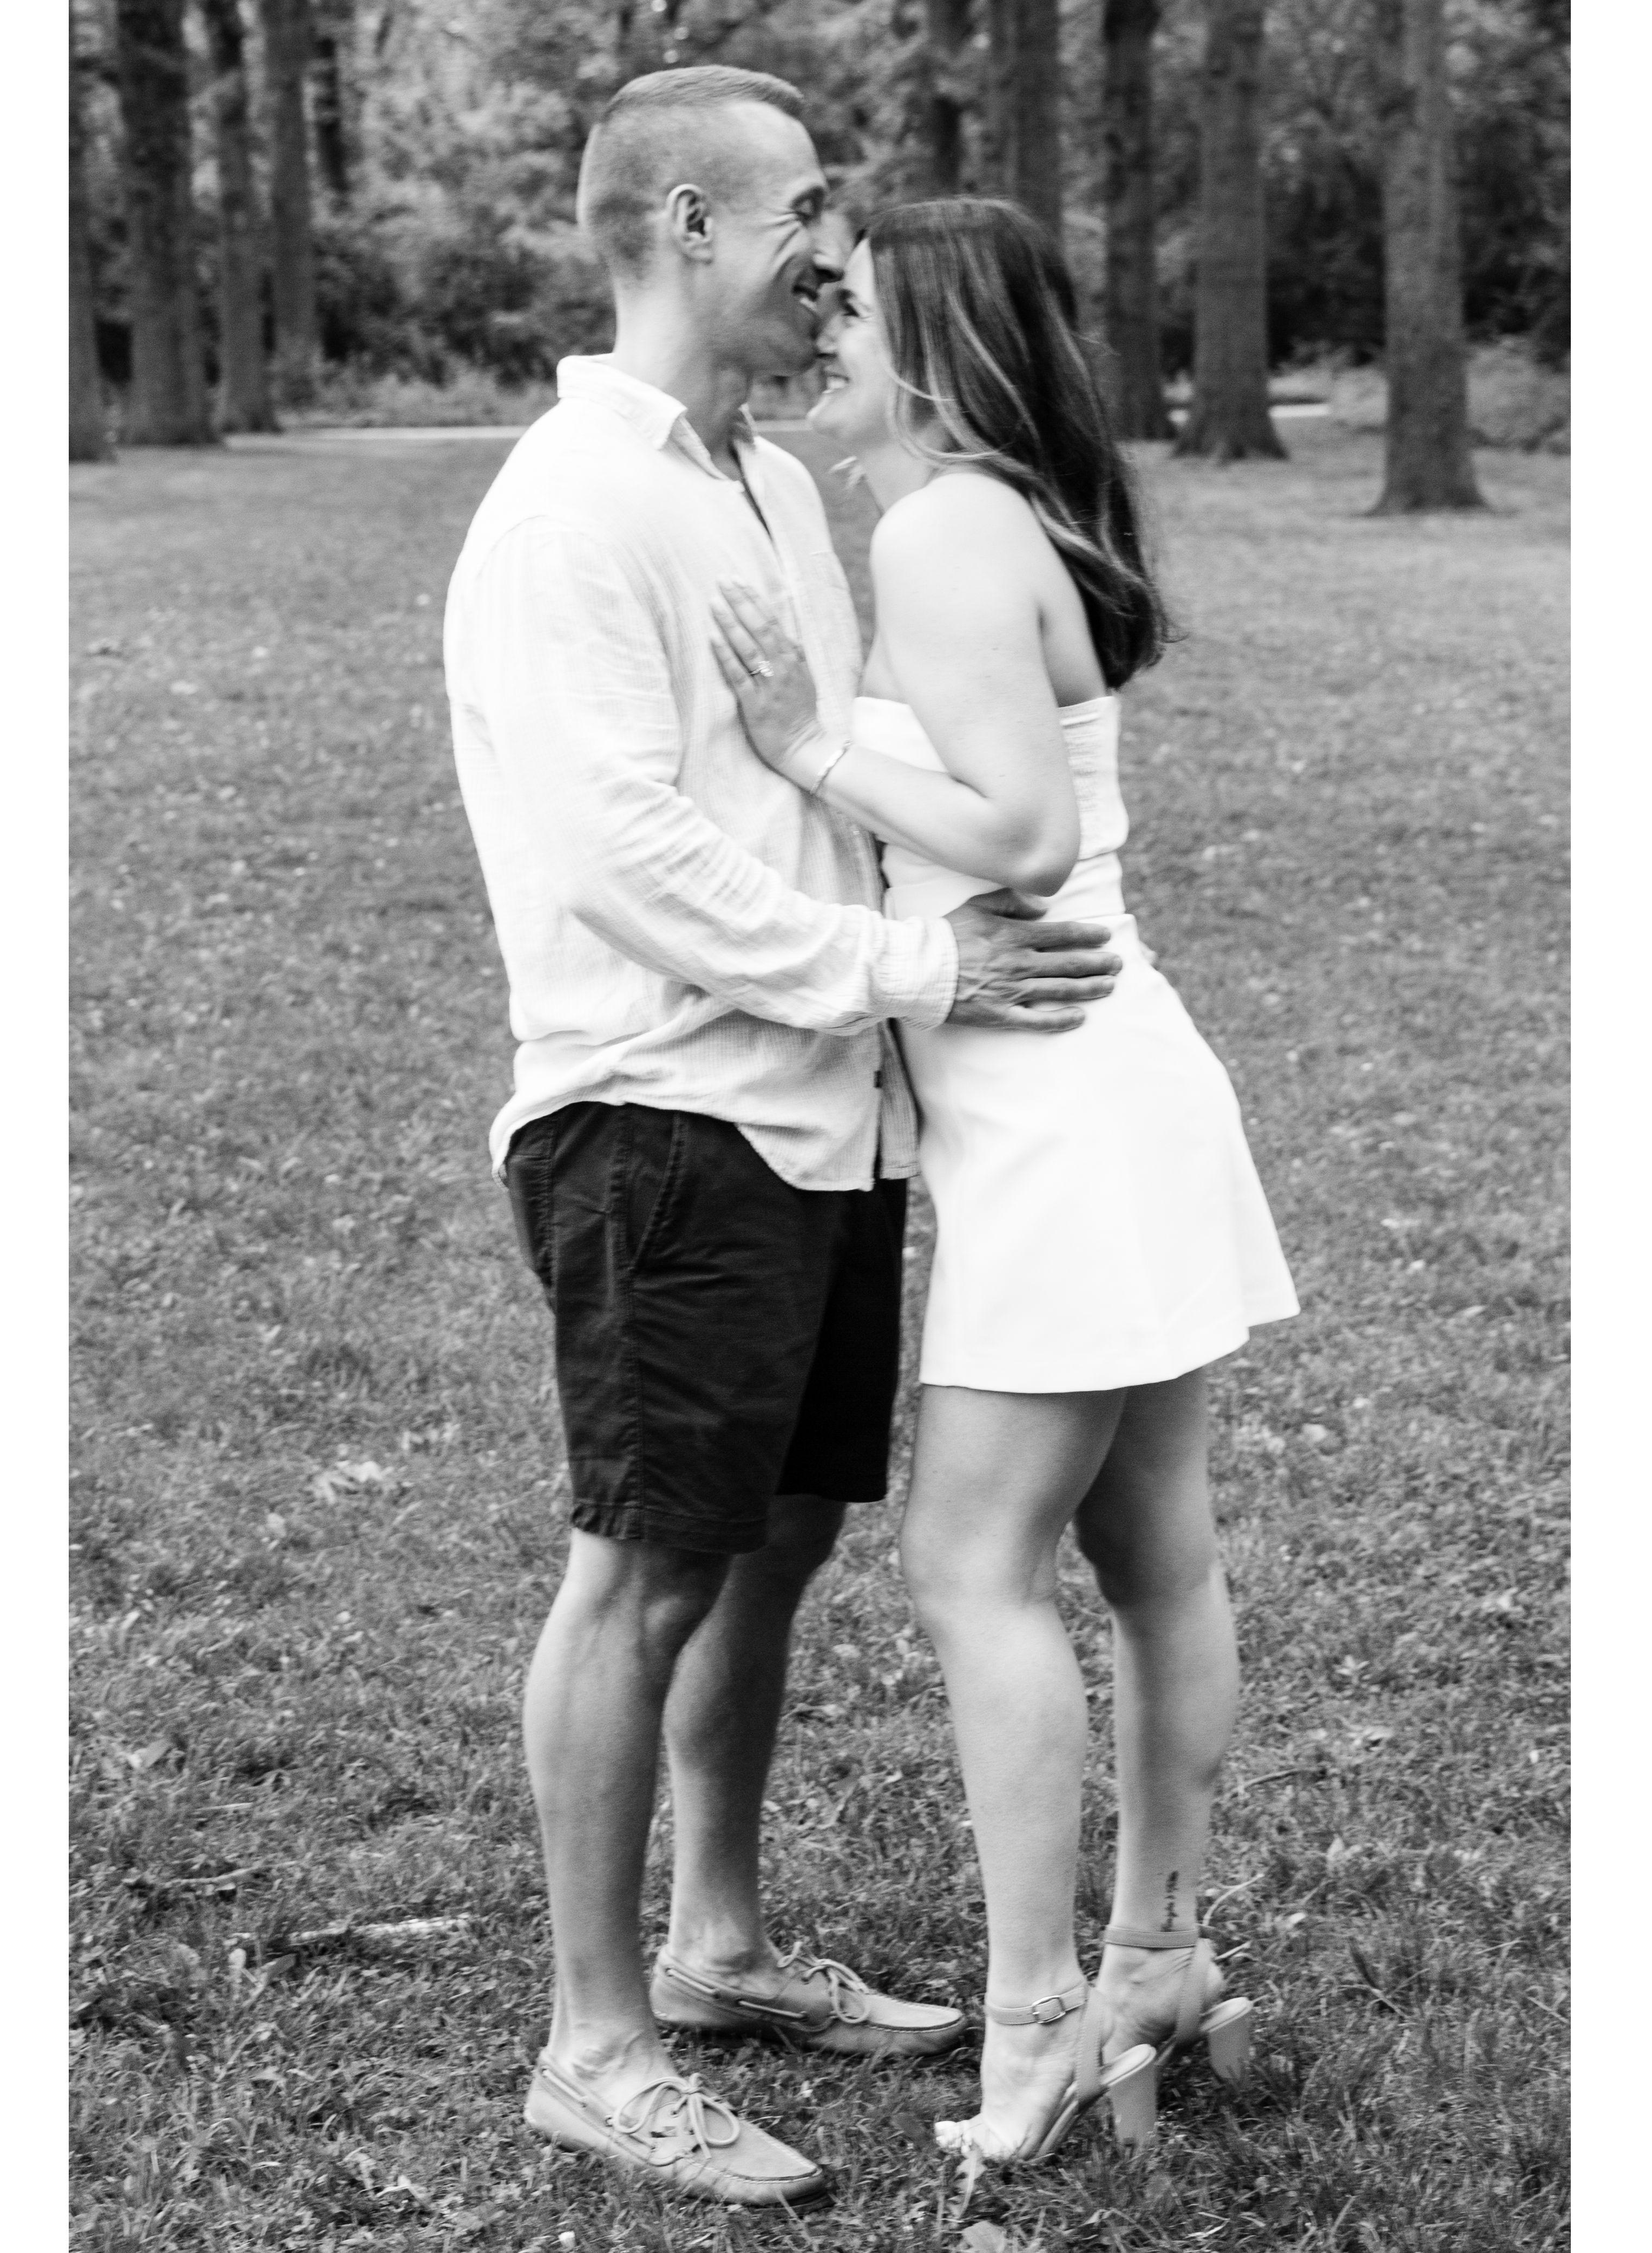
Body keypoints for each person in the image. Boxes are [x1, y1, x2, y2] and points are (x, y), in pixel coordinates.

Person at [442, 76, 1128, 2208]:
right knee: (646, 1564)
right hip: (666, 1111)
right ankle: (595, 2044)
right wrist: (912, 973)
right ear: (685, 221)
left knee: (771, 1543)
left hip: (823, 1116)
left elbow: (814, 774)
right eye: (808, 210)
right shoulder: (571, 509)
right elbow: (623, 851)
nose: (839, 251)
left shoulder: (761, 484)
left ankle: (719, 1947)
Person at [708, 198, 1301, 2164]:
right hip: (1106, 1080)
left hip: (1058, 1103)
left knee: (973, 1567)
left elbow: (1025, 835)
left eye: (855, 307)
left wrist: (804, 746)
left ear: (943, 345)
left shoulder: (944, 528)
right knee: (1153, 1557)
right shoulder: (1011, 513)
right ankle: (1155, 1958)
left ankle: (1040, 2015)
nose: (822, 327)